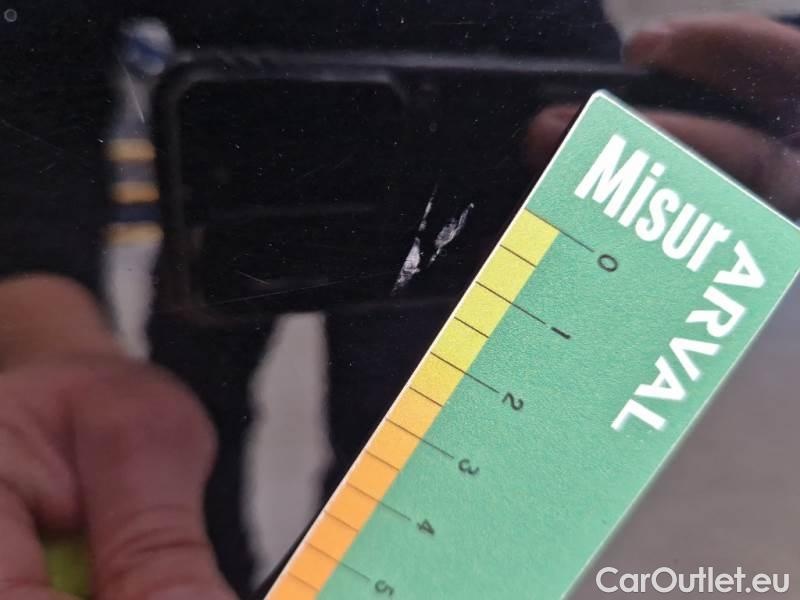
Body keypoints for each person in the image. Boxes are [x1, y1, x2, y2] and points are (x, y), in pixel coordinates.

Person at [0, 9, 798, 600]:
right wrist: (44, 322)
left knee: (390, 448)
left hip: (439, 216)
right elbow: (39, 53)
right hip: (231, 201)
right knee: (189, 424)